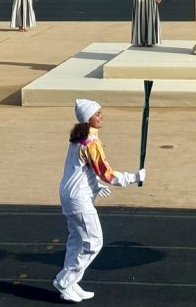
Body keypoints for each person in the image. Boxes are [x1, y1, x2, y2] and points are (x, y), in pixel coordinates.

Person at [55, 98, 146, 302]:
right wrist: (134, 177)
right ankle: (65, 281)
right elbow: (107, 173)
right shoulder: (91, 142)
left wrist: (95, 186)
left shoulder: (79, 139)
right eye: (97, 114)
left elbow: (80, 170)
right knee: (94, 242)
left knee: (77, 241)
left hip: (70, 195)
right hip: (79, 199)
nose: (101, 116)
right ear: (88, 118)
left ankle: (72, 283)